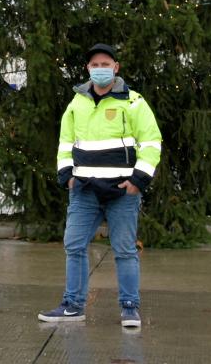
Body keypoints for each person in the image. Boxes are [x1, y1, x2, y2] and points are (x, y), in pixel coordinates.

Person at [39, 43, 162, 329]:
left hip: (122, 192)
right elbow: (65, 144)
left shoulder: (134, 102)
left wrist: (137, 181)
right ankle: (73, 306)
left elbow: (152, 142)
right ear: (87, 69)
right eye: (95, 65)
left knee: (124, 250)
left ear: (116, 68)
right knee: (74, 245)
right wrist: (66, 177)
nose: (101, 69)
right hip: (84, 190)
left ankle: (129, 308)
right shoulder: (76, 103)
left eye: (106, 64)